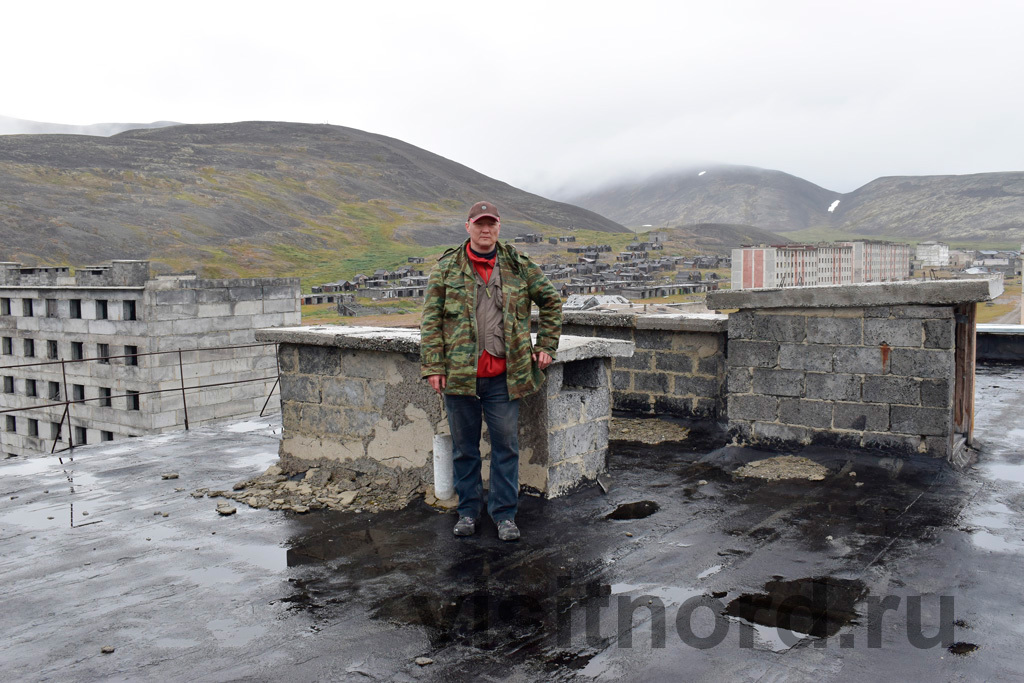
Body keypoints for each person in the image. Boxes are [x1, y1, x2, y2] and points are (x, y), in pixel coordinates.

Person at [420, 201, 563, 541]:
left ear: (499, 227)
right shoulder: (447, 268)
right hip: (459, 375)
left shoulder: (517, 264)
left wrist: (545, 346)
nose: (486, 230)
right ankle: (468, 512)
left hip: (505, 376)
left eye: (492, 224)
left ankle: (504, 515)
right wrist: (433, 366)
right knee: (465, 449)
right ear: (468, 226)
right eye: (480, 224)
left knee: (506, 447)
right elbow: (430, 321)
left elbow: (551, 301)